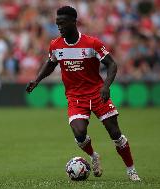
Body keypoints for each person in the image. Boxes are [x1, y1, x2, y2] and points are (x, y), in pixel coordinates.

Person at [26, 6, 140, 181]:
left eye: (62, 23)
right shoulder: (55, 45)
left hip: (97, 92)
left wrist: (106, 86)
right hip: (75, 96)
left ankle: (131, 170)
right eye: (57, 24)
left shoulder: (92, 43)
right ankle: (94, 156)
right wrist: (37, 79)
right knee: (79, 133)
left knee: (114, 132)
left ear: (74, 22)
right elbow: (51, 64)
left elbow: (112, 65)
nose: (59, 27)